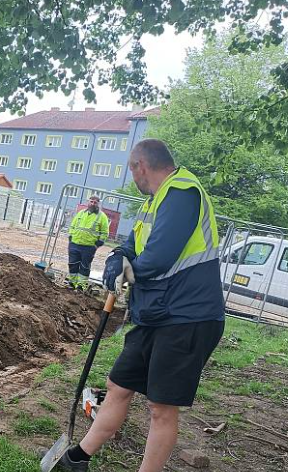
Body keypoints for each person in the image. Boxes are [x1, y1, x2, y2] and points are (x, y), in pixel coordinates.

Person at [54, 139, 225, 472]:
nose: (133, 178)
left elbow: (160, 256)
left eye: (132, 171)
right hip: (156, 314)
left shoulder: (183, 193)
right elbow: (132, 244)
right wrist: (118, 259)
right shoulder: (155, 201)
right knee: (118, 385)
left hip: (187, 317)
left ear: (140, 166)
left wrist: (130, 270)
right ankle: (78, 458)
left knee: (161, 408)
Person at [67, 195, 109, 289]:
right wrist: (70, 237)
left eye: (95, 202)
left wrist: (97, 244)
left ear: (98, 204)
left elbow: (104, 233)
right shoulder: (81, 213)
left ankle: (81, 286)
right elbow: (72, 226)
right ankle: (72, 283)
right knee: (72, 264)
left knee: (84, 266)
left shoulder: (102, 217)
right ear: (88, 202)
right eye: (91, 201)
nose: (93, 203)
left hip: (89, 247)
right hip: (75, 244)